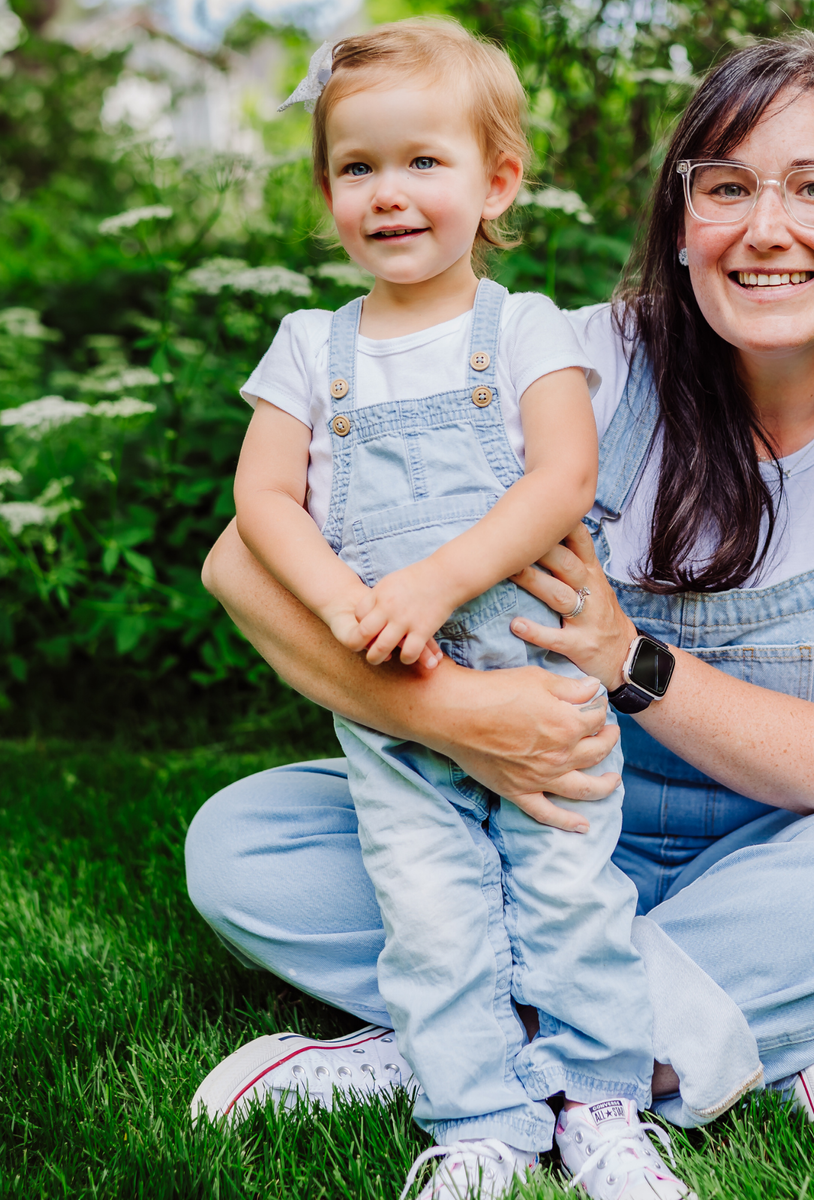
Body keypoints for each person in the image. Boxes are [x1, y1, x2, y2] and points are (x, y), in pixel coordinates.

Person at [187, 24, 814, 1187]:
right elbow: (242, 560)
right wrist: (453, 722)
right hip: (535, 822)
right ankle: (717, 1036)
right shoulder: (578, 362)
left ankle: (468, 1045)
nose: (766, 229)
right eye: (727, 187)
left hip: (788, 854)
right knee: (243, 842)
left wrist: (631, 660)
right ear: (684, 222)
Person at [203, 19, 696, 1200]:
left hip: (542, 673)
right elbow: (261, 499)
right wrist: (345, 600)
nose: (390, 194)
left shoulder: (526, 328)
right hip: (398, 707)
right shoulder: (311, 350)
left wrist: (431, 585)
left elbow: (560, 481)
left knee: (571, 892)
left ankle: (599, 1109)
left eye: (425, 162)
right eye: (357, 168)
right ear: (327, 192)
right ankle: (478, 1121)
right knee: (429, 910)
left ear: (497, 180)